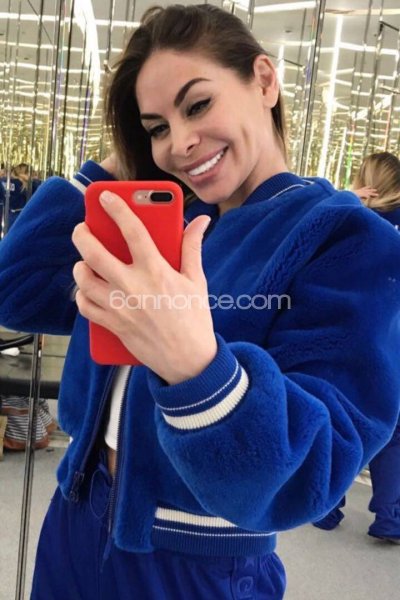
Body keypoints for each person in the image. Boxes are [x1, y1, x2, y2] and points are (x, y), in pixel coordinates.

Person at [0, 5, 400, 598]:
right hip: (74, 518)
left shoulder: (344, 238)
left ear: (263, 81)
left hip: (195, 562)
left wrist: (195, 366)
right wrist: (125, 163)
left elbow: (315, 468)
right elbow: (17, 290)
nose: (180, 143)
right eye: (156, 126)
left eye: (197, 105)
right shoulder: (164, 225)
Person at [313, 152, 400, 543]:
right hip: (395, 341)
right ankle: (390, 516)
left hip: (349, 335)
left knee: (344, 417)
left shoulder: (348, 218)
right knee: (393, 429)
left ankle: (328, 507)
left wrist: (346, 198)